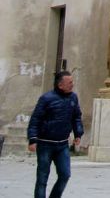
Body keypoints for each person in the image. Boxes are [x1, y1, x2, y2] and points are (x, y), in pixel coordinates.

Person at [27, 70, 84, 198]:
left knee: (65, 174)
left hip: (62, 144)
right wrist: (32, 139)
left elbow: (76, 117)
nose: (72, 84)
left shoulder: (73, 98)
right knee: (42, 178)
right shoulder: (46, 99)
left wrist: (78, 133)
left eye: (72, 82)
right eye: (69, 82)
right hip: (45, 144)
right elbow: (35, 119)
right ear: (60, 85)